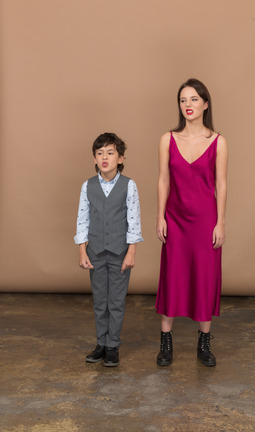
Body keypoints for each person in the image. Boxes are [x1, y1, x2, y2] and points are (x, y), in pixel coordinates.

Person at [155, 78, 228, 367]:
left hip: (205, 220)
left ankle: (204, 343)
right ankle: (166, 342)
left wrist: (221, 222)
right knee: (172, 275)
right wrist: (159, 215)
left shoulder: (219, 141)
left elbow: (221, 185)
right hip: (175, 217)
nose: (188, 105)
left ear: (205, 104)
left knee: (204, 277)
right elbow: (163, 180)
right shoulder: (167, 139)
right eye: (183, 100)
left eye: (194, 99)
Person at [74, 132, 143, 367]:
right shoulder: (88, 186)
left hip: (119, 252)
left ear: (120, 158)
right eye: (100, 153)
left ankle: (113, 345)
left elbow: (134, 221)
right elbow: (82, 220)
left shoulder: (128, 185)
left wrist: (131, 252)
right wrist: (83, 251)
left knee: (116, 301)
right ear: (94, 158)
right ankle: (101, 343)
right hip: (95, 252)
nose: (105, 157)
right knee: (100, 301)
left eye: (110, 153)